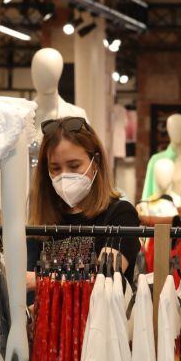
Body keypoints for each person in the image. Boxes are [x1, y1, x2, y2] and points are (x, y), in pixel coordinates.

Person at [27, 117, 140, 287]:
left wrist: (39, 281)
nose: (64, 176)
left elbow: (104, 280)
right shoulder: (42, 221)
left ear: (96, 162)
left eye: (74, 166)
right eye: (55, 168)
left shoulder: (120, 215)